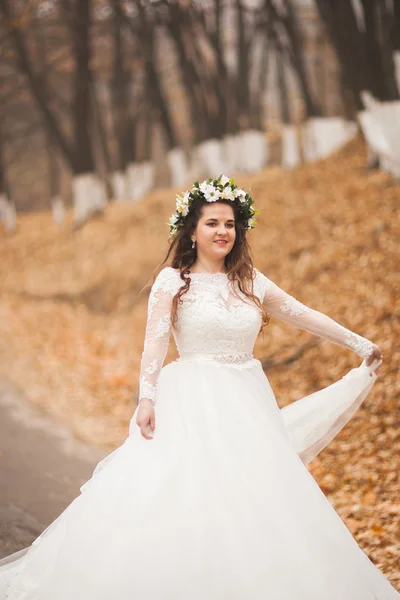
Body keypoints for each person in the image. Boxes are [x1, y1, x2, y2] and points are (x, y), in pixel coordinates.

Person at [0, 175, 398, 600]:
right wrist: (146, 398)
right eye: (212, 223)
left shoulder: (251, 281)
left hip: (245, 401)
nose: (222, 231)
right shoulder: (172, 282)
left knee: (256, 495)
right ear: (192, 230)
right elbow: (154, 342)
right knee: (187, 490)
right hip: (190, 399)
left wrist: (359, 342)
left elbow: (302, 314)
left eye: (229, 224)